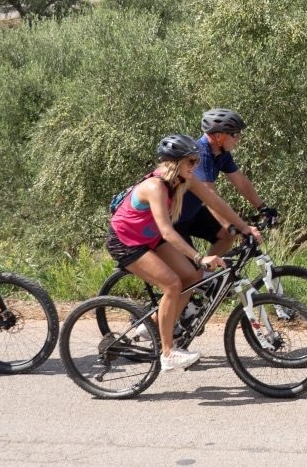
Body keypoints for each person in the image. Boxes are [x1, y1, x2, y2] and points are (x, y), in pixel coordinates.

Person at [108, 134, 225, 371]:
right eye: (191, 162)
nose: (195, 166)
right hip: (127, 242)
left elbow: (215, 202)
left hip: (149, 239)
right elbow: (168, 232)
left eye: (197, 161)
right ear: (176, 163)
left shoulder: (181, 182)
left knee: (192, 277)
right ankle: (168, 352)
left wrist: (242, 228)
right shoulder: (155, 187)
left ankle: (158, 325)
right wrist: (200, 258)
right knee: (172, 284)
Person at [175, 108, 271, 256]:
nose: (238, 139)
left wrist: (263, 208)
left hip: (191, 212)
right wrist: (237, 226)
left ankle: (208, 275)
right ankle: (201, 275)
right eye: (235, 134)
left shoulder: (221, 154)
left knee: (227, 236)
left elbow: (241, 182)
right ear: (219, 136)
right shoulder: (199, 154)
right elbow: (210, 196)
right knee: (191, 275)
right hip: (174, 219)